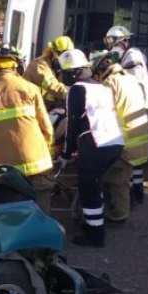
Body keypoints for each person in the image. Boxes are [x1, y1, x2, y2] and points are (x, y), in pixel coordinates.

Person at [56, 49, 124, 247]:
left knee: (88, 187)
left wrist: (66, 154)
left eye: (65, 73)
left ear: (73, 72)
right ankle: (95, 222)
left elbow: (72, 124)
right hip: (114, 143)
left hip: (97, 144)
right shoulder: (101, 87)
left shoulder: (77, 89)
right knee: (95, 184)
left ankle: (95, 235)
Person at [0, 44, 55, 212]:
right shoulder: (29, 88)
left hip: (7, 167)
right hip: (37, 161)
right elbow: (47, 128)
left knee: (15, 208)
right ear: (16, 65)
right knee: (41, 206)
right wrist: (48, 150)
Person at [91, 50, 148, 223]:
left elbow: (105, 113)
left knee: (116, 181)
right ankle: (125, 206)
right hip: (139, 139)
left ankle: (118, 216)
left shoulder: (110, 83)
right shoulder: (131, 79)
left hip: (124, 143)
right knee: (122, 178)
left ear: (101, 70)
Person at [104, 25, 148, 207]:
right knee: (137, 158)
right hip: (137, 107)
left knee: (131, 156)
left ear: (123, 41)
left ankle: (134, 195)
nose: (113, 47)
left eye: (114, 42)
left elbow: (131, 83)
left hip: (135, 109)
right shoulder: (131, 56)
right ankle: (138, 193)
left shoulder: (132, 56)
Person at [23, 35, 73, 110]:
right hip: (30, 107)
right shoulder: (39, 65)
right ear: (53, 52)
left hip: (43, 107)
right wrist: (74, 93)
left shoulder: (53, 66)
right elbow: (52, 86)